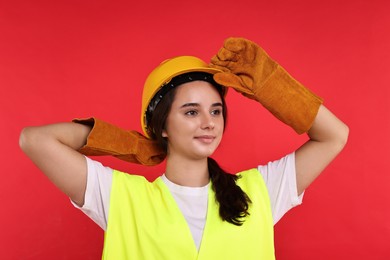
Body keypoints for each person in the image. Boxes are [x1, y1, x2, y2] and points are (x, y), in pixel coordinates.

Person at [19, 37, 349, 259]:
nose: (209, 122)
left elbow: (335, 135)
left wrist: (270, 86)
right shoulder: (121, 197)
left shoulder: (261, 191)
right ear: (162, 125)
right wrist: (126, 144)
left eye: (216, 110)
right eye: (191, 111)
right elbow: (35, 140)